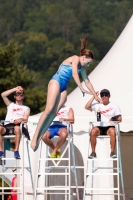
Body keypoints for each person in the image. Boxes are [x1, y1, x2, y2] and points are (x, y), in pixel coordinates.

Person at [31, 36, 101, 151]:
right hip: (56, 81)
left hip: (64, 86)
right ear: (83, 57)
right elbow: (74, 73)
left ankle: (40, 136)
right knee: (48, 110)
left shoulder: (82, 68)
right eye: (88, 63)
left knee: (54, 113)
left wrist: (95, 95)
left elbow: (87, 81)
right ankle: (35, 137)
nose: (87, 66)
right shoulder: (75, 58)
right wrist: (81, 88)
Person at [85, 89, 122, 159]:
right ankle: (93, 152)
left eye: (106, 95)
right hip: (99, 126)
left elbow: (120, 119)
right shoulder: (97, 105)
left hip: (109, 126)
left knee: (112, 131)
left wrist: (113, 119)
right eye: (102, 95)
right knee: (93, 131)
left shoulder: (114, 106)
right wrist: (94, 96)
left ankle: (112, 152)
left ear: (109, 96)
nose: (104, 97)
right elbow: (86, 107)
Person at [0, 86, 30, 159]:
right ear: (14, 96)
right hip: (7, 125)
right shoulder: (11, 105)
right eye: (17, 94)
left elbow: (26, 118)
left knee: (17, 128)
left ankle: (16, 150)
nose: (19, 95)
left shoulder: (26, 108)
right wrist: (15, 89)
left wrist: (21, 119)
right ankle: (0, 150)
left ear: (23, 97)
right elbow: (3, 95)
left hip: (17, 125)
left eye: (21, 94)